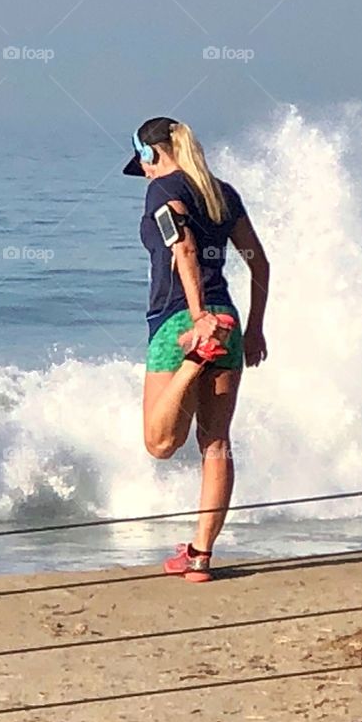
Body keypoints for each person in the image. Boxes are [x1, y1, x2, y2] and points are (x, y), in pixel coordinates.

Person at [124, 116, 269, 582]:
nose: (143, 173)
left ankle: (191, 365)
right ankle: (201, 557)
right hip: (228, 319)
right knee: (217, 444)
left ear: (151, 154)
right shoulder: (222, 193)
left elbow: (183, 250)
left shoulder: (163, 187)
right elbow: (259, 261)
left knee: (160, 443)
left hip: (179, 322)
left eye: (142, 164)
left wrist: (197, 317)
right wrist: (254, 330)